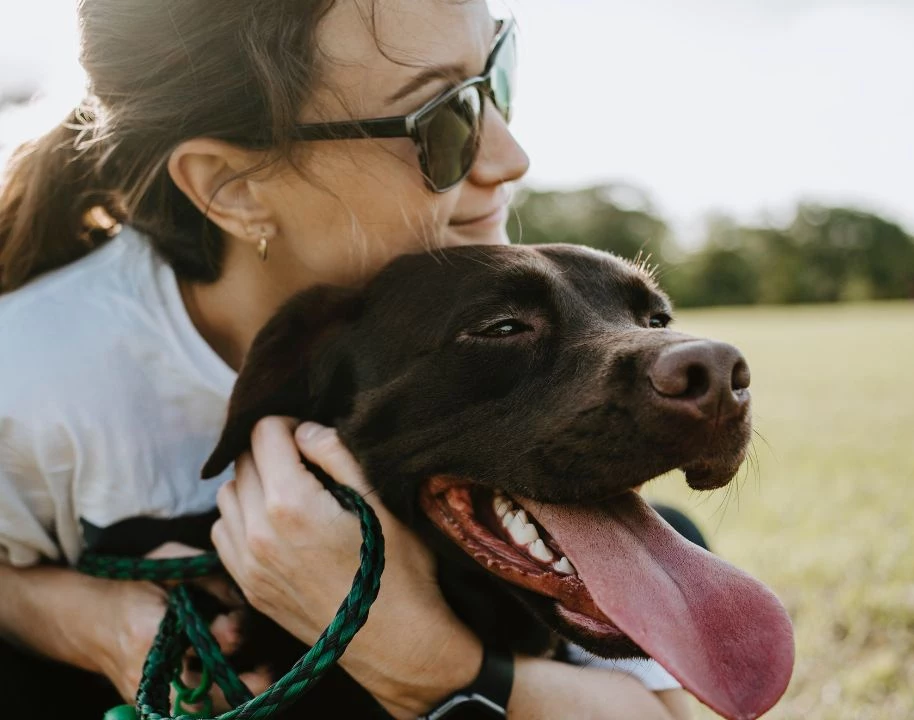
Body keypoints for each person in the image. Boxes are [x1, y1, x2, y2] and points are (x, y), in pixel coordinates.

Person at [0, 1, 695, 718]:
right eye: (440, 120)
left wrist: (418, 656)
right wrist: (97, 623)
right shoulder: (32, 377)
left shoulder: (477, 273)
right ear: (230, 187)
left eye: (497, 75)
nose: (510, 155)